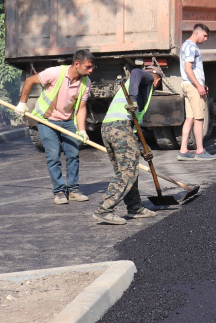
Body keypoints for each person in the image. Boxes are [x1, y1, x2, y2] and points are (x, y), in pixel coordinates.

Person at [16, 49, 95, 204]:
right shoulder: (55, 73)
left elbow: (82, 107)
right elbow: (30, 81)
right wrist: (22, 103)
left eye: (92, 67)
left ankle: (73, 190)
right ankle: (59, 191)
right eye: (88, 67)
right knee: (53, 155)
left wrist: (82, 129)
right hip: (47, 120)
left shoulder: (86, 82)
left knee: (73, 154)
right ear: (76, 64)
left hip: (67, 121)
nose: (90, 71)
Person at [94, 67, 159, 225]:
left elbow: (133, 128)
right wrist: (134, 99)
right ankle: (105, 209)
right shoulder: (149, 79)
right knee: (128, 171)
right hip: (120, 127)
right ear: (157, 80)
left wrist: (144, 148)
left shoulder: (133, 88)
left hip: (109, 127)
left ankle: (135, 207)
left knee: (125, 170)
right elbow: (136, 71)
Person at [179, 23, 216, 161]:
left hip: (188, 85)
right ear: (196, 33)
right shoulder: (191, 47)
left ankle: (183, 150)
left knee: (190, 118)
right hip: (193, 87)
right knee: (199, 119)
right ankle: (200, 151)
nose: (205, 39)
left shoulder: (185, 45)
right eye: (204, 36)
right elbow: (188, 68)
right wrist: (199, 86)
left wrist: (201, 84)